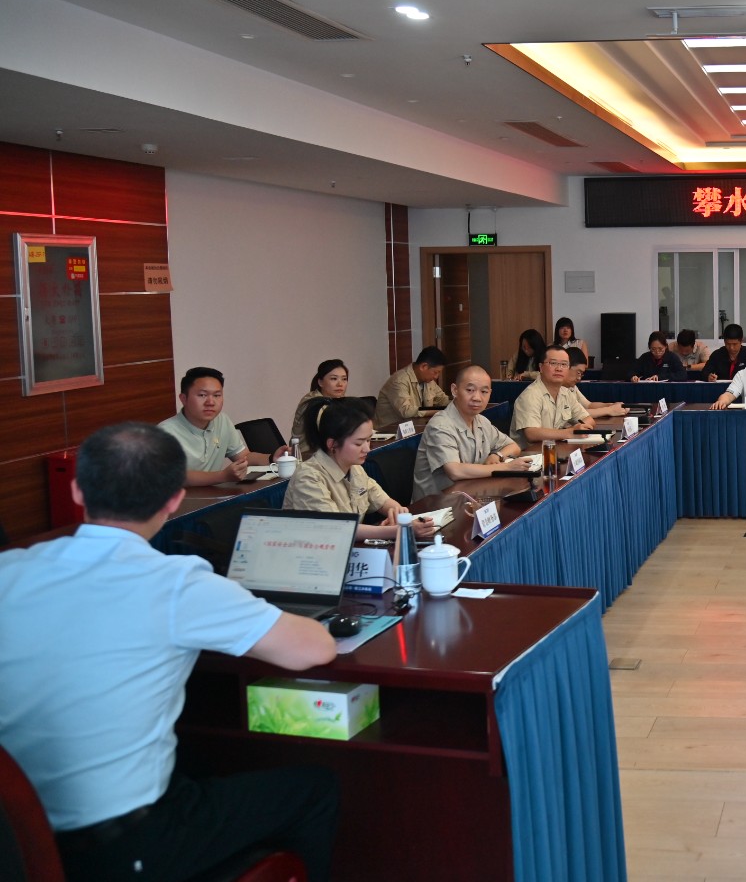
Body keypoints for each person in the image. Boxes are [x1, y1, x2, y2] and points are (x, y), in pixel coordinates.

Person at [0, 422, 339, 882]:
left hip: (20, 841)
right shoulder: (176, 583)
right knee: (315, 790)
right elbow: (313, 650)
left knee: (195, 759)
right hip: (127, 847)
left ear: (78, 491)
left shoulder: (9, 571)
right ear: (174, 500)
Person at [283, 397, 433, 541]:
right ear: (332, 444)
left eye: (368, 440)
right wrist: (399, 530)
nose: (367, 449)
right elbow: (339, 528)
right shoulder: (308, 477)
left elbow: (380, 499)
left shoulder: (354, 468)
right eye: (358, 443)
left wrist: (396, 510)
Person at [412, 365, 533, 499]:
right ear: (455, 390)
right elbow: (455, 471)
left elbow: (513, 446)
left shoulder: (481, 421)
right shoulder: (440, 425)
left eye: (484, 392)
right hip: (437, 505)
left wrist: (497, 455)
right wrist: (507, 467)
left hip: (472, 497)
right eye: (470, 390)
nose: (477, 397)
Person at [158, 366, 284, 486]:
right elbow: (176, 476)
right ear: (183, 399)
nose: (210, 402)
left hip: (214, 495)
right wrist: (223, 476)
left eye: (217, 395)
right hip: (180, 499)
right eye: (202, 395)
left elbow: (243, 456)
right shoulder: (165, 433)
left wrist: (272, 458)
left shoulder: (222, 420)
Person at [512, 346, 596, 441]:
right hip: (532, 450)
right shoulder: (530, 396)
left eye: (564, 364)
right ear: (541, 367)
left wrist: (578, 428)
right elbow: (531, 433)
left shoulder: (566, 393)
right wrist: (569, 432)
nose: (559, 369)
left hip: (556, 447)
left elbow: (589, 420)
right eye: (553, 363)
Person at [374, 346, 449, 428]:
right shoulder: (399, 381)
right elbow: (406, 411)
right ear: (423, 367)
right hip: (390, 432)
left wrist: (456, 403)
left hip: (416, 428)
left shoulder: (429, 381)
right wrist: (437, 412)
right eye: (435, 372)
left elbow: (443, 400)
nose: (436, 377)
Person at [289, 358, 349, 453]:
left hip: (327, 453)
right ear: (320, 382)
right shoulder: (312, 402)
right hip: (306, 456)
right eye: (334, 379)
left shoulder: (337, 399)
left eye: (344, 379)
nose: (340, 384)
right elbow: (336, 431)